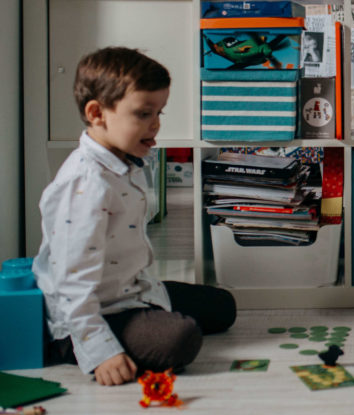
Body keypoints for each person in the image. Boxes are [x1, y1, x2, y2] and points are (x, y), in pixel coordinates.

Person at [33, 47, 236, 386]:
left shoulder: (124, 160)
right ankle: (72, 347)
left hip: (130, 291)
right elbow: (71, 283)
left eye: (159, 112)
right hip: (88, 312)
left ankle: (149, 314)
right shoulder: (85, 185)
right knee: (181, 339)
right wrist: (102, 352)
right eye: (143, 113)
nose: (155, 124)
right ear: (98, 113)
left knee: (223, 306)